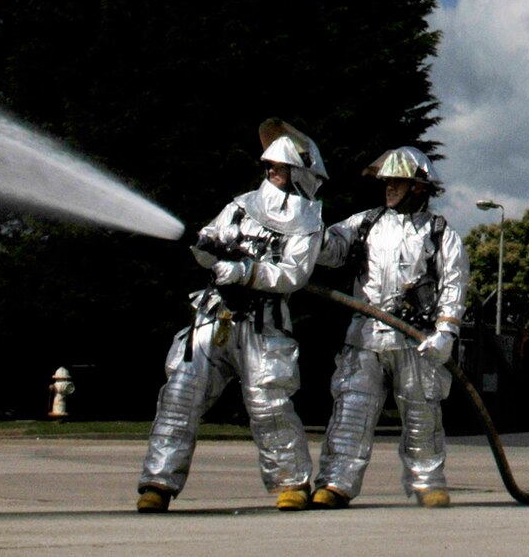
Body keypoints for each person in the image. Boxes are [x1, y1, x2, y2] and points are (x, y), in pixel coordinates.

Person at [137, 120, 326, 513]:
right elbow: (212, 241)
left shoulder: (309, 222)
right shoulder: (241, 205)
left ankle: (291, 484)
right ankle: (158, 482)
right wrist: (205, 247)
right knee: (180, 393)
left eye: (279, 166)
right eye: (269, 166)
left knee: (268, 403)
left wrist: (245, 271)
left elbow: (294, 273)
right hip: (215, 314)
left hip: (264, 324)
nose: (271, 172)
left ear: (298, 172)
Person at [310, 146, 468, 509]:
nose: (388, 187)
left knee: (422, 413)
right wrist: (305, 224)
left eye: (397, 181)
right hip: (365, 337)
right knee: (351, 410)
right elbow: (327, 250)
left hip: (417, 341)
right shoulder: (363, 223)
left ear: (418, 187)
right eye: (387, 181)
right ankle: (336, 483)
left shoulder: (441, 234)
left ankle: (428, 482)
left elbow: (453, 287)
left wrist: (446, 333)